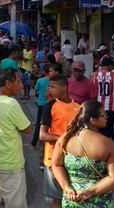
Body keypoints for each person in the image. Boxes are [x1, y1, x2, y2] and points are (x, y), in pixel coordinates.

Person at [51, 100, 114, 207]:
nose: (106, 118)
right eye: (103, 115)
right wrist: (90, 192)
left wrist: (67, 188)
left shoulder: (65, 139)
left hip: (72, 199)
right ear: (93, 120)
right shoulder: (107, 144)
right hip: (98, 201)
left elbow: (56, 165)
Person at [0, 68, 32, 208]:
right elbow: (27, 128)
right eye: (18, 81)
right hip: (11, 166)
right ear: (8, 83)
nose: (21, 85)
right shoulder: (11, 104)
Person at [40, 75, 80, 207]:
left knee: (72, 196)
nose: (50, 89)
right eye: (49, 87)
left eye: (53, 87)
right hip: (54, 159)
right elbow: (43, 135)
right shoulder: (49, 106)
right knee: (57, 199)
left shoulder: (78, 107)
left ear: (64, 88)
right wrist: (64, 140)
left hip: (74, 158)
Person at [92, 57, 114, 138]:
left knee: (98, 128)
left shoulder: (95, 75)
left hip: (98, 106)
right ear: (108, 66)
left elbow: (93, 91)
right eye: (111, 65)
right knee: (109, 129)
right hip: (111, 106)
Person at [29, 63, 52, 149]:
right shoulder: (54, 82)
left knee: (39, 123)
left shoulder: (40, 81)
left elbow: (36, 91)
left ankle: (33, 144)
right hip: (51, 104)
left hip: (42, 104)